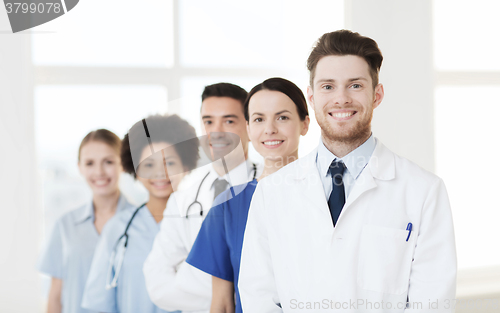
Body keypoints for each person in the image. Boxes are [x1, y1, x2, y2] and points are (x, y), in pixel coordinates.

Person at [238, 30, 457, 312]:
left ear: (377, 95)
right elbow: (258, 295)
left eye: (355, 86)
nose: (341, 99)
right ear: (312, 97)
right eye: (328, 87)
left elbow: (432, 304)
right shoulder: (271, 193)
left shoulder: (424, 191)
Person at [186, 77, 310, 313]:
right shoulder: (228, 205)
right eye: (259, 119)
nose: (270, 129)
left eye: (282, 117)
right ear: (249, 129)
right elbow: (222, 304)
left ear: (305, 124)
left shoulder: (329, 195)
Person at [143, 83, 262, 313]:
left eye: (229, 121)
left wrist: (191, 278)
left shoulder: (269, 186)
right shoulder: (183, 198)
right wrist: (228, 295)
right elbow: (156, 280)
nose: (216, 131)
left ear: (248, 126)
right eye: (208, 121)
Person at [81, 114, 199, 313]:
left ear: (185, 166)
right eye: (149, 164)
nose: (160, 173)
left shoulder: (202, 226)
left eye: (169, 163)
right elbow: (97, 304)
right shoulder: (117, 229)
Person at [37, 129, 133, 313]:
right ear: (80, 167)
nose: (99, 171)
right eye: (90, 163)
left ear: (122, 163)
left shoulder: (141, 222)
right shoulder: (65, 225)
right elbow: (56, 296)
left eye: (108, 162)